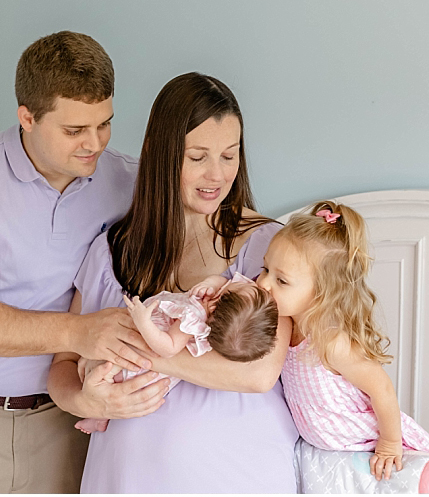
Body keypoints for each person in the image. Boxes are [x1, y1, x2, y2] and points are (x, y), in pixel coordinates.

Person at [0, 31, 170, 493]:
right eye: (73, 130)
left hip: (69, 422)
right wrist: (81, 332)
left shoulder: (130, 183)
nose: (94, 143)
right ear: (27, 117)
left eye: (104, 123)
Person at [47, 72, 300, 492]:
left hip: (238, 477)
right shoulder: (112, 252)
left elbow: (259, 374)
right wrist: (83, 400)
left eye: (229, 155)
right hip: (125, 480)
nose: (216, 175)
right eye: (198, 157)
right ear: (160, 154)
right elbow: (61, 366)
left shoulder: (268, 250)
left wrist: (137, 356)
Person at [258, 200, 429, 482]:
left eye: (281, 280)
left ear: (322, 292)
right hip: (329, 450)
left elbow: (382, 389)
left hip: (367, 444)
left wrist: (389, 443)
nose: (263, 283)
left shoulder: (332, 342)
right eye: (265, 270)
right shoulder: (285, 325)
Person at [75, 271, 279, 433]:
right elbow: (223, 280)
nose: (253, 283)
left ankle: (99, 417)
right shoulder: (238, 294)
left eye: (245, 287)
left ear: (218, 302)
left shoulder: (194, 317)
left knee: (110, 367)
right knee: (101, 361)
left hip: (141, 360)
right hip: (138, 347)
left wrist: (143, 321)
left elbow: (168, 347)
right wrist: (209, 283)